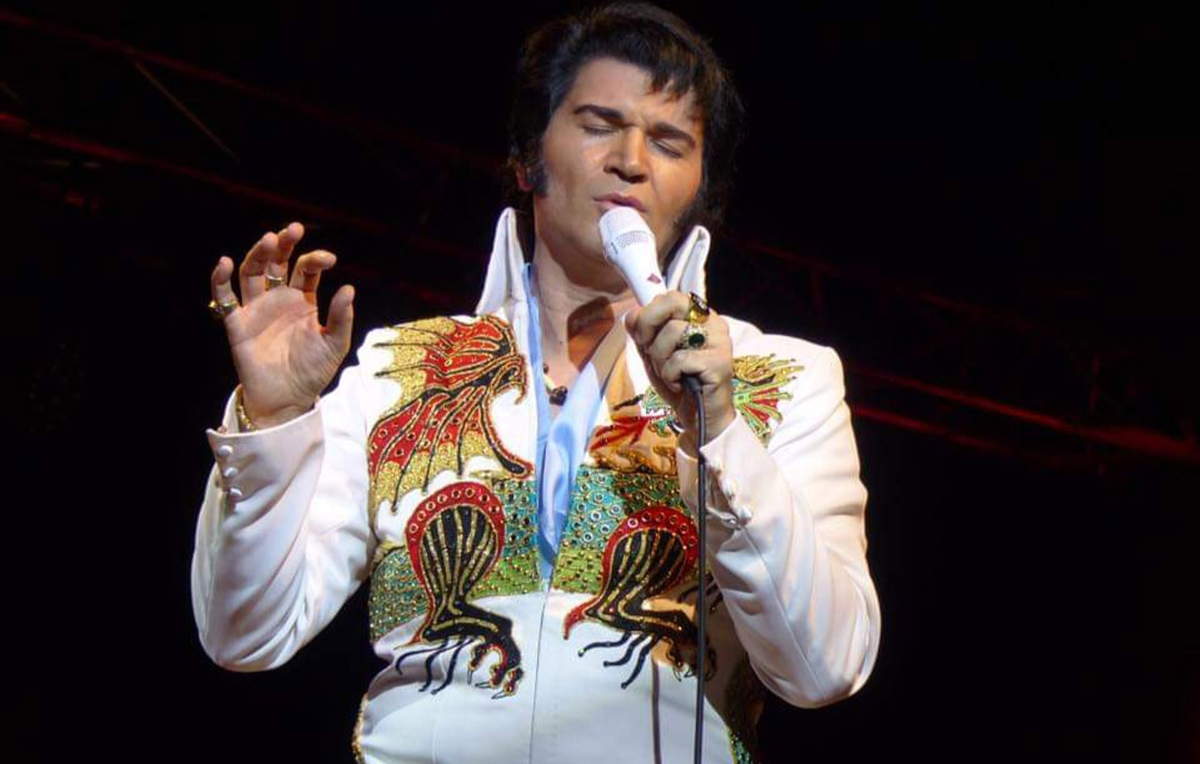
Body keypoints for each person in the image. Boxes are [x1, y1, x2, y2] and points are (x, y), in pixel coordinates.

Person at [193, 4, 881, 763]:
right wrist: (275, 419)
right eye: (599, 124)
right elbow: (245, 634)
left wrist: (719, 432)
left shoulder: (779, 379)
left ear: (698, 190)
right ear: (528, 159)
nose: (631, 160)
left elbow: (825, 667)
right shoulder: (403, 368)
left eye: (668, 142)